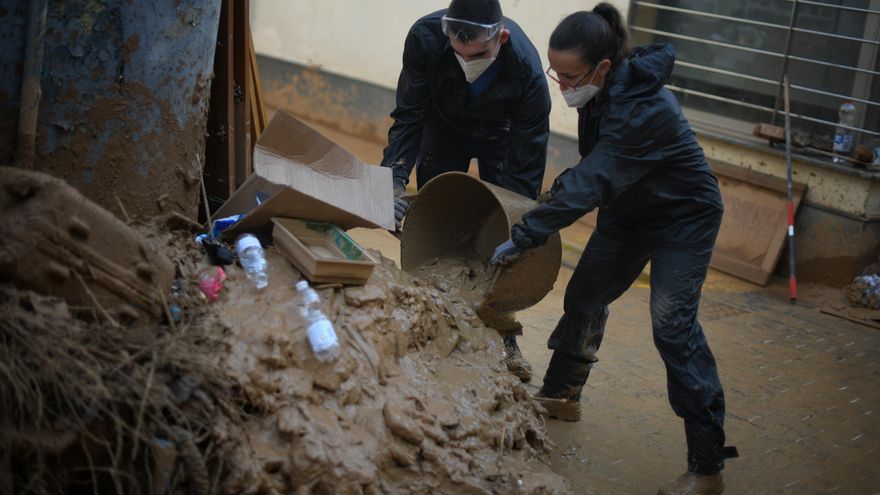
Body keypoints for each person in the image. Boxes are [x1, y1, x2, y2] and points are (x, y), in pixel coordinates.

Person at [490, 4, 737, 494]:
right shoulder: (601, 93)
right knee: (584, 296)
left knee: (672, 327)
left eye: (569, 76)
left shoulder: (644, 107)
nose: (562, 86)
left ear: (603, 68)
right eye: (554, 74)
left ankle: (707, 466)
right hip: (629, 211)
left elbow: (595, 179)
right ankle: (562, 392)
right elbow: (597, 169)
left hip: (682, 220)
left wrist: (526, 233)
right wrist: (554, 200)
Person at [382, 0, 551, 381]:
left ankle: (502, 332)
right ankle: (433, 316)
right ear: (446, 31)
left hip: (502, 136)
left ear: (500, 37)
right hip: (443, 126)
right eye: (457, 53)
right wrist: (391, 180)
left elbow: (527, 158)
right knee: (436, 217)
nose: (465, 62)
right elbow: (409, 114)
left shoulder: (526, 69)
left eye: (477, 54)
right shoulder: (424, 38)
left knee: (503, 238)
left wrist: (517, 226)